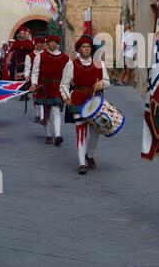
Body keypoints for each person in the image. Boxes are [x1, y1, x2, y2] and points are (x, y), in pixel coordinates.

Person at [60, 35, 110, 174]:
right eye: (84, 47)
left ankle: (90, 155)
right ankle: (82, 163)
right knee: (81, 131)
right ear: (79, 49)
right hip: (78, 99)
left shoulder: (100, 64)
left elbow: (107, 81)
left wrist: (103, 83)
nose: (86, 49)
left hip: (95, 101)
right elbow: (64, 84)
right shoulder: (71, 64)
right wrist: (65, 97)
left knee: (96, 132)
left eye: (88, 47)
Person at [30, 35, 69, 145]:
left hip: (57, 86)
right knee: (46, 110)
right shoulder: (40, 56)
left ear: (57, 44)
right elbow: (35, 72)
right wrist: (34, 83)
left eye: (54, 42)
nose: (52, 43)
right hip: (45, 86)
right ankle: (48, 134)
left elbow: (68, 73)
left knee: (56, 109)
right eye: (50, 41)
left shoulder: (65, 58)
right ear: (47, 43)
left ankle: (57, 135)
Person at [24, 37, 45, 123]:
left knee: (43, 96)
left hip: (44, 78)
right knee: (36, 96)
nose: (39, 45)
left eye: (41, 43)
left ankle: (43, 116)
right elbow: (27, 68)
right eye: (37, 43)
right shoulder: (29, 56)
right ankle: (37, 114)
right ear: (35, 44)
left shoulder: (46, 54)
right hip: (34, 77)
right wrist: (27, 75)